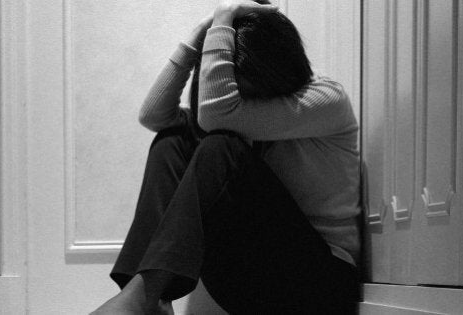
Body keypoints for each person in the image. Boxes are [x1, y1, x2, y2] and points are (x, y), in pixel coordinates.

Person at [92, 1, 362, 314]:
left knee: (220, 145)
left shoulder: (325, 98)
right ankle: (151, 299)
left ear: (272, 74)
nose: (239, 101)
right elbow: (154, 116)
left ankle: (142, 298)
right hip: (257, 276)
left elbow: (216, 115)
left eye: (243, 91)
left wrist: (224, 13)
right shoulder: (242, 117)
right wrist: (199, 37)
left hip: (321, 284)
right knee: (173, 140)